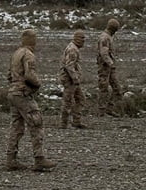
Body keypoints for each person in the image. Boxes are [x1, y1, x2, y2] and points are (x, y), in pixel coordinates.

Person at [5, 29, 56, 171]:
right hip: (23, 93)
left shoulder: (16, 53)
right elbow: (30, 75)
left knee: (16, 126)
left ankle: (11, 158)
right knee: (36, 122)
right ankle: (39, 158)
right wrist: (37, 84)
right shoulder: (28, 55)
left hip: (13, 93)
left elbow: (9, 75)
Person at [59, 29, 86, 128]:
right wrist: (75, 78)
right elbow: (69, 66)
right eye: (82, 38)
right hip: (69, 80)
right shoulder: (73, 50)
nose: (84, 41)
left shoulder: (73, 48)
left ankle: (76, 121)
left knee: (80, 99)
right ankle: (63, 124)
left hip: (72, 79)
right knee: (68, 101)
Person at [96, 19, 121, 114]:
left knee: (117, 89)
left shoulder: (108, 37)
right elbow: (104, 53)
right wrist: (111, 64)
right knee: (104, 89)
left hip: (109, 67)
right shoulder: (104, 38)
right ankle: (101, 111)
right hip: (104, 67)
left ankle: (109, 109)